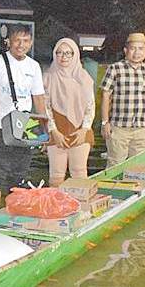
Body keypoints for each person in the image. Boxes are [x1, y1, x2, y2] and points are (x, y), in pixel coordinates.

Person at [0, 24, 46, 201]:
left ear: (31, 42)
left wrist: (43, 133)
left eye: (25, 40)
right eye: (17, 40)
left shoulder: (34, 66)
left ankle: (16, 210)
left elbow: (39, 100)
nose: (21, 44)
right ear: (8, 41)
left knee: (20, 173)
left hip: (26, 125)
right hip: (0, 125)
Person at [100, 32, 145, 167]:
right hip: (118, 128)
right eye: (133, 48)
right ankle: (112, 187)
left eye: (141, 49)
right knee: (115, 164)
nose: (137, 52)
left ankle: (137, 187)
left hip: (142, 128)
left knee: (139, 166)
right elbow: (106, 96)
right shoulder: (115, 69)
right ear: (125, 50)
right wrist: (105, 122)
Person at [43, 38, 95, 186]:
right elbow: (45, 107)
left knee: (79, 172)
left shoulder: (84, 78)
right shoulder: (48, 77)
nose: (63, 56)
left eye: (68, 53)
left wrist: (84, 129)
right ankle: (56, 207)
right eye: (59, 52)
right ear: (54, 54)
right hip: (56, 130)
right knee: (56, 175)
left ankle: (80, 206)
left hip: (80, 130)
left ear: (75, 55)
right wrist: (53, 131)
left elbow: (90, 106)